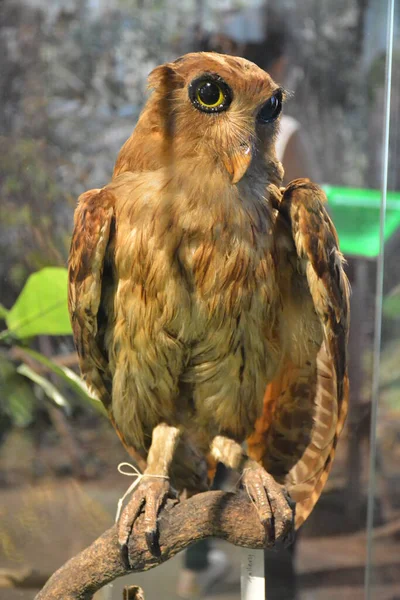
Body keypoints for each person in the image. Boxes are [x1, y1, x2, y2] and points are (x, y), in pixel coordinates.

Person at [177, 5, 319, 598]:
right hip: (262, 338)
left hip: (208, 335)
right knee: (261, 457)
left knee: (221, 454)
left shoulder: (185, 137)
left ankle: (206, 565)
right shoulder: (281, 135)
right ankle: (249, 574)